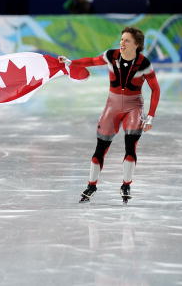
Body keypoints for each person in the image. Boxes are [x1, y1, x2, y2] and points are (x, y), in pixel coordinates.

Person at [58, 27, 160, 204]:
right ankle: (91, 185)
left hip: (133, 107)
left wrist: (150, 116)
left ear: (136, 45)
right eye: (121, 39)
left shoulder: (144, 64)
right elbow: (91, 60)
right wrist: (70, 62)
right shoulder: (111, 56)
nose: (122, 43)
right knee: (101, 148)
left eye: (126, 40)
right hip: (111, 107)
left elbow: (155, 89)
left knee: (130, 147)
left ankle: (126, 184)